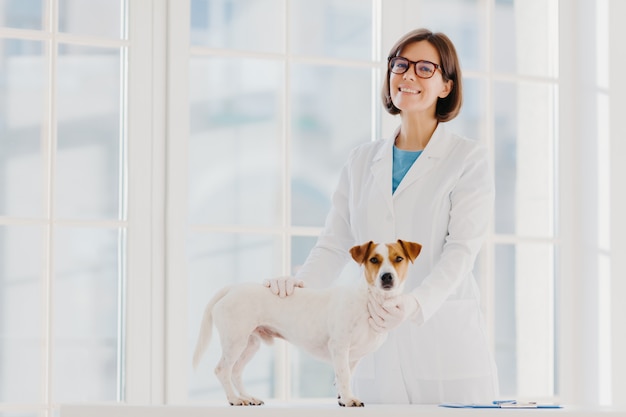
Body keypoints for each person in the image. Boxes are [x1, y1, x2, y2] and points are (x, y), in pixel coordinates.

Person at [265, 28, 499, 404]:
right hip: (370, 339)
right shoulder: (361, 160)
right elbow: (334, 243)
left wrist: (415, 303)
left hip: (443, 341)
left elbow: (462, 251)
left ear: (446, 86)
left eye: (425, 68)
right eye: (400, 64)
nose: (408, 75)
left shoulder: (467, 159)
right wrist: (295, 292)